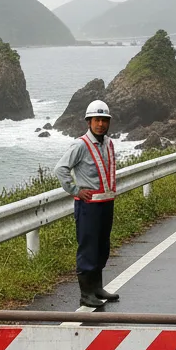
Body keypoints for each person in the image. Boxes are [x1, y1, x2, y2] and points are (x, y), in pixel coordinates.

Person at [54, 99, 120, 308]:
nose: (100, 124)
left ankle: (97, 287)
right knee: (88, 248)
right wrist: (75, 190)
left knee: (102, 246)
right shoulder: (80, 145)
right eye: (96, 120)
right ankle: (86, 294)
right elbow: (61, 169)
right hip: (88, 206)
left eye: (104, 120)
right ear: (89, 121)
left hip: (106, 203)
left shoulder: (109, 143)